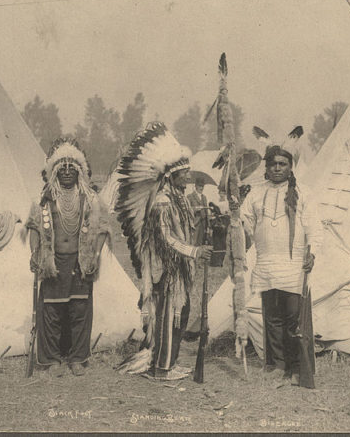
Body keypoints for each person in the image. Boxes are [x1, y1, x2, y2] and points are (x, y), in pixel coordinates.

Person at [114, 122, 212, 380]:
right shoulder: (162, 202)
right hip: (165, 270)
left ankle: (170, 360)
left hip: (177, 269)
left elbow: (183, 230)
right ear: (171, 176)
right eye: (184, 173)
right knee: (170, 315)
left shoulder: (179, 198)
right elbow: (166, 238)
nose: (189, 176)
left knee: (181, 312)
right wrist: (193, 252)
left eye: (188, 171)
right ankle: (162, 367)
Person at [240, 126, 322, 387]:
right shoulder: (255, 192)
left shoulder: (304, 194)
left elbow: (315, 228)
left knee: (292, 320)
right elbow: (245, 222)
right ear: (267, 166)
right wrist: (236, 218)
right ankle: (276, 366)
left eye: (282, 163)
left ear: (291, 167)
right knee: (272, 318)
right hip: (265, 264)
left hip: (293, 265)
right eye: (273, 163)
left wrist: (313, 253)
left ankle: (296, 368)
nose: (277, 168)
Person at [26, 138, 110, 377]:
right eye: (61, 169)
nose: (66, 173)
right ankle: (52, 359)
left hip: (79, 263)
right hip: (52, 263)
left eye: (71, 169)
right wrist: (35, 253)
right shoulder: (44, 198)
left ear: (79, 172)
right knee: (51, 311)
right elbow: (34, 227)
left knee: (79, 310)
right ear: (53, 172)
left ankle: (77, 359)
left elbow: (103, 228)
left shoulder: (90, 198)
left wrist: (94, 255)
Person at [187, 176, 208, 245]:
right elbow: (187, 209)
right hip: (195, 223)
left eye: (202, 186)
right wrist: (195, 209)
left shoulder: (204, 197)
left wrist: (208, 225)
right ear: (195, 186)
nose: (201, 188)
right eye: (199, 186)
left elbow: (206, 212)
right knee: (193, 243)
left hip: (203, 223)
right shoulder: (190, 196)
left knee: (201, 243)